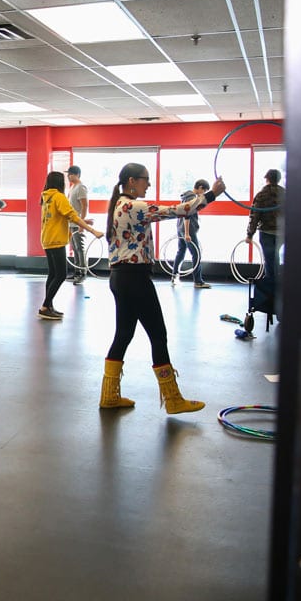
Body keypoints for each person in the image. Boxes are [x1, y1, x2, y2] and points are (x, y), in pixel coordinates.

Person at [100, 163, 225, 413]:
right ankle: (173, 399)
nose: (149, 184)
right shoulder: (133, 206)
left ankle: (109, 395)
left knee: (124, 334)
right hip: (135, 279)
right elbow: (181, 210)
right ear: (132, 181)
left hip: (120, 277)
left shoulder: (117, 205)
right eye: (146, 180)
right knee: (158, 335)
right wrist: (212, 194)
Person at [39, 171, 104, 320]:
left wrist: (84, 222)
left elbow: (62, 215)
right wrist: (93, 231)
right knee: (61, 274)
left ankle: (48, 306)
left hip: (47, 239)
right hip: (56, 240)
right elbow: (72, 215)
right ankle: (45, 306)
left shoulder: (46, 197)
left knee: (53, 274)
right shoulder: (59, 197)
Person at [246, 169, 285, 282]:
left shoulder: (261, 195)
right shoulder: (285, 193)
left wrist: (249, 235)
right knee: (275, 256)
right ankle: (276, 283)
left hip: (266, 232)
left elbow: (255, 216)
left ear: (267, 178)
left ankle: (270, 285)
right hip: (282, 232)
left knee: (269, 259)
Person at [171, 179, 211, 288]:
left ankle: (174, 276)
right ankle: (198, 281)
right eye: (204, 191)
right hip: (188, 230)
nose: (203, 194)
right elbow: (187, 215)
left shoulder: (186, 196)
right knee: (196, 254)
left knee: (181, 252)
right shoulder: (191, 198)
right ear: (200, 187)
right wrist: (187, 233)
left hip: (180, 228)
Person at [65, 166, 92, 285]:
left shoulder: (81, 187)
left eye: (70, 174)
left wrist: (82, 223)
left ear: (77, 174)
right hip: (71, 223)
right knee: (75, 248)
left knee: (80, 248)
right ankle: (76, 272)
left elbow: (84, 206)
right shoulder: (72, 187)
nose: (68, 176)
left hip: (77, 223)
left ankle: (82, 273)